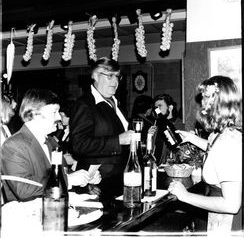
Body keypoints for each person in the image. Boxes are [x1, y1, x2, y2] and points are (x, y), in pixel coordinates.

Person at [168, 76, 242, 233]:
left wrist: (185, 195)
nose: (201, 103)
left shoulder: (228, 142)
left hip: (229, 226)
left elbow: (231, 205)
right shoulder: (224, 133)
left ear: (215, 103)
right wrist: (192, 139)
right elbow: (216, 153)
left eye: (205, 97)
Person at [1, 88, 101, 203]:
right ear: (35, 114)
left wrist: (85, 176)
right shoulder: (13, 146)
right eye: (54, 112)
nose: (59, 117)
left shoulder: (51, 142)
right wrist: (68, 180)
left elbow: (62, 174)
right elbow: (24, 191)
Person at [69, 57, 134, 191]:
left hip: (119, 177)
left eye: (117, 77)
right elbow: (79, 144)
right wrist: (118, 140)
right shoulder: (85, 104)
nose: (115, 81)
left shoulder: (115, 102)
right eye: (110, 76)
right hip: (96, 181)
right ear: (95, 76)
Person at [149, 93, 185, 165]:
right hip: (156, 167)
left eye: (160, 107)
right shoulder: (156, 125)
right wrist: (149, 137)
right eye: (156, 108)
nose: (157, 110)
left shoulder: (179, 125)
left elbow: (181, 151)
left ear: (170, 107)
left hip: (170, 168)